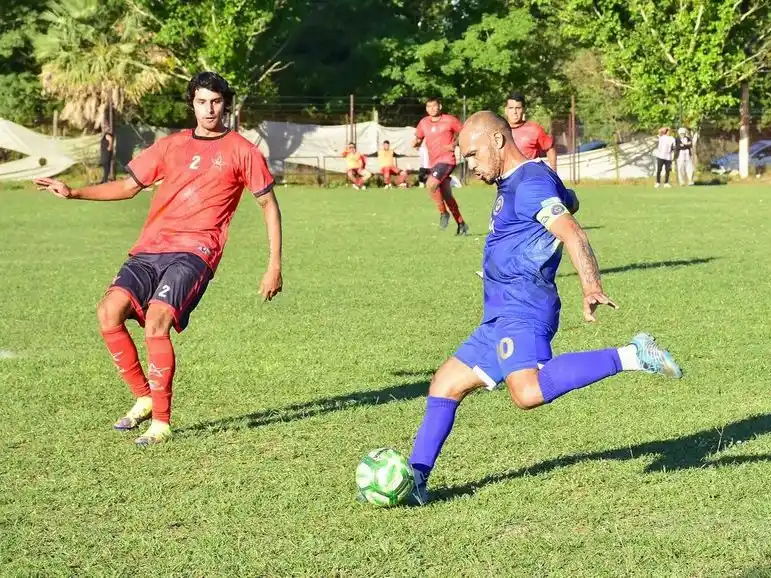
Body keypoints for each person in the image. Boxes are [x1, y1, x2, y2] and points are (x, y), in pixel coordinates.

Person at [403, 111, 682, 505]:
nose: (471, 166)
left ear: (498, 141)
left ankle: (632, 354)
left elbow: (571, 229)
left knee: (528, 391)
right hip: (500, 312)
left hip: (524, 307)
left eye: (473, 155)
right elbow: (570, 200)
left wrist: (591, 284)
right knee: (445, 384)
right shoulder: (522, 180)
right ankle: (416, 479)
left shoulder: (529, 183)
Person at [33, 71, 283, 447]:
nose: (209, 108)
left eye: (215, 101)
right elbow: (128, 187)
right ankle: (144, 397)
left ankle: (162, 423)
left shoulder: (242, 151)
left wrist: (274, 265)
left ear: (225, 104)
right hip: (150, 248)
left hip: (196, 251)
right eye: (201, 101)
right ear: (192, 104)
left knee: (156, 320)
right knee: (108, 312)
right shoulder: (172, 145)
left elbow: (268, 206)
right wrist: (74, 193)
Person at [413, 97, 468, 235]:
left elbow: (464, 132)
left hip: (447, 160)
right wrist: (416, 143)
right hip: (434, 163)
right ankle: (461, 224)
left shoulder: (449, 120)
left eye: (434, 106)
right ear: (426, 109)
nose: (432, 109)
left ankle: (444, 213)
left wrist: (454, 144)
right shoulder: (423, 123)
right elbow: (418, 138)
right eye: (429, 107)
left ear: (440, 106)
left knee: (431, 184)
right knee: (447, 195)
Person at [504, 93, 557, 170]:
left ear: (524, 109)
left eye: (518, 108)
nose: (514, 112)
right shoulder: (499, 130)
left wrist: (554, 172)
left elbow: (550, 148)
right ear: (506, 110)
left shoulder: (534, 129)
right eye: (511, 108)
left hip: (529, 177)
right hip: (507, 179)